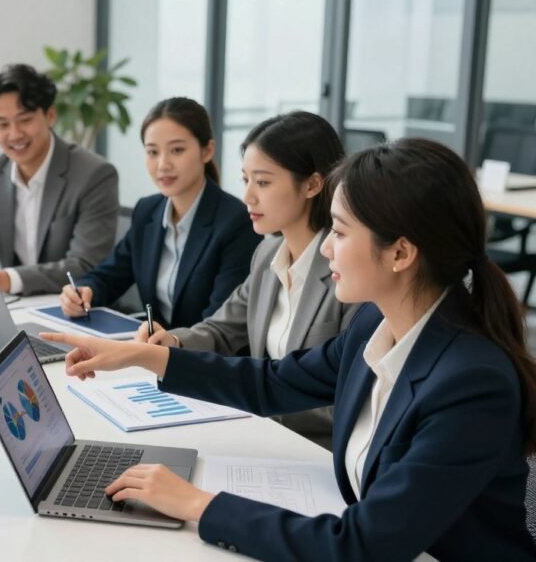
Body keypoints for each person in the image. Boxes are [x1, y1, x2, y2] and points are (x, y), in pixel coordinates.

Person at [41, 139, 536, 560]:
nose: (325, 249)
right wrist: (143, 356)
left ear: (402, 253)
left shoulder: (472, 383)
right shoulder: (374, 324)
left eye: (339, 232)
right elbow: (273, 382)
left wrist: (197, 504)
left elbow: (361, 547)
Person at [136, 111, 353, 447]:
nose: (248, 197)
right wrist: (174, 344)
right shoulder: (267, 255)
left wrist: (252, 402)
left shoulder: (349, 270)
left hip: (317, 450)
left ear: (312, 184)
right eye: (246, 180)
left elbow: (348, 401)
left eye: (263, 182)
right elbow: (221, 330)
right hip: (265, 437)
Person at [59, 97, 260, 327]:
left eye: (177, 150)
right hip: (154, 351)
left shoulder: (236, 222)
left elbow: (220, 324)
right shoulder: (148, 210)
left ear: (207, 151)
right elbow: (109, 275)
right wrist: (84, 292)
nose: (163, 164)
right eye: (152, 152)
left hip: (200, 357)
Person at [0, 63, 119, 295]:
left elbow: (85, 265)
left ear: (50, 115)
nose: (14, 134)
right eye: (2, 124)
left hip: (74, 311)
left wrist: (6, 279)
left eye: (25, 120)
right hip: (16, 308)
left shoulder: (94, 174)